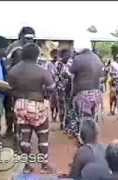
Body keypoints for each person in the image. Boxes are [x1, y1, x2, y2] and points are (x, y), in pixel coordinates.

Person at [8, 43, 55, 174]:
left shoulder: (13, 71)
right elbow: (51, 87)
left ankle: (27, 165)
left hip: (20, 105)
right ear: (37, 55)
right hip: (37, 105)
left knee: (25, 136)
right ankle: (44, 165)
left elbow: (10, 88)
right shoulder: (41, 71)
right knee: (43, 135)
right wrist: (43, 94)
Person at [70, 36, 104, 143]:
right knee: (92, 118)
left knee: (83, 118)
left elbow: (70, 73)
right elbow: (102, 75)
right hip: (97, 92)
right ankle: (93, 138)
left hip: (82, 93)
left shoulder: (78, 59)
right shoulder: (97, 58)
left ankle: (84, 140)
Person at [55, 49, 73, 130]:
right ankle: (62, 122)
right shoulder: (58, 64)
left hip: (69, 89)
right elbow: (55, 76)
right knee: (62, 107)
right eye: (67, 55)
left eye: (69, 55)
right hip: (60, 89)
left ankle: (67, 123)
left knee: (69, 106)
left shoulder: (71, 64)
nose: (68, 57)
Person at [47, 49, 59, 122]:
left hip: (58, 86)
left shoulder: (59, 64)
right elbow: (47, 74)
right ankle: (52, 115)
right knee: (52, 102)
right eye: (54, 55)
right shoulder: (49, 64)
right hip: (51, 86)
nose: (55, 57)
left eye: (56, 55)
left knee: (57, 103)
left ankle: (56, 115)